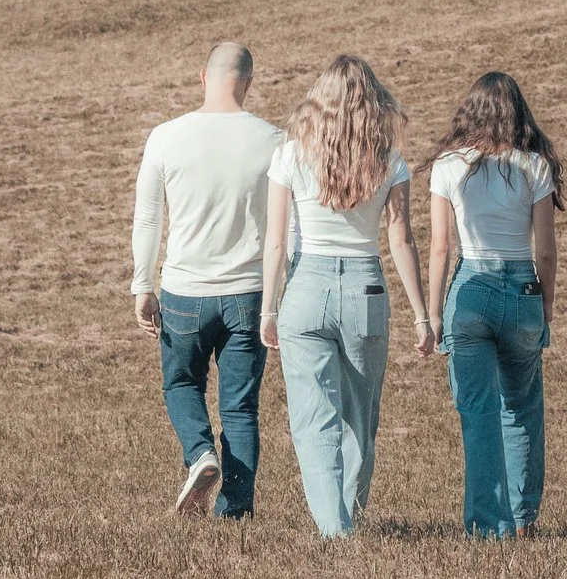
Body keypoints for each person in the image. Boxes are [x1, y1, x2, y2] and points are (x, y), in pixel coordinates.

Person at [259, 55, 431, 538]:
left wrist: (268, 307)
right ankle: (347, 518)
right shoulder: (390, 160)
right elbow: (401, 238)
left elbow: (275, 241)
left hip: (306, 288)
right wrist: (421, 316)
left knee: (313, 419)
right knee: (361, 415)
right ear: (373, 103)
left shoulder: (291, 155)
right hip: (366, 289)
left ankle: (334, 529)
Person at [132, 42, 285, 519]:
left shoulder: (165, 136)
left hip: (184, 291)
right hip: (247, 292)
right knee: (240, 408)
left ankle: (200, 454)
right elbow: (288, 228)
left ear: (203, 76)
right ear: (250, 81)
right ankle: (236, 511)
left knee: (182, 385)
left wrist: (142, 285)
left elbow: (148, 219)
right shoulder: (274, 140)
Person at [423, 72, 562, 540]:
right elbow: (545, 249)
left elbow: (440, 247)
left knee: (478, 410)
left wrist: (434, 311)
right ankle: (523, 519)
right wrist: (546, 303)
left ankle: (487, 524)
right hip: (523, 286)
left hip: (471, 288)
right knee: (521, 406)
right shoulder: (534, 165)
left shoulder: (448, 164)